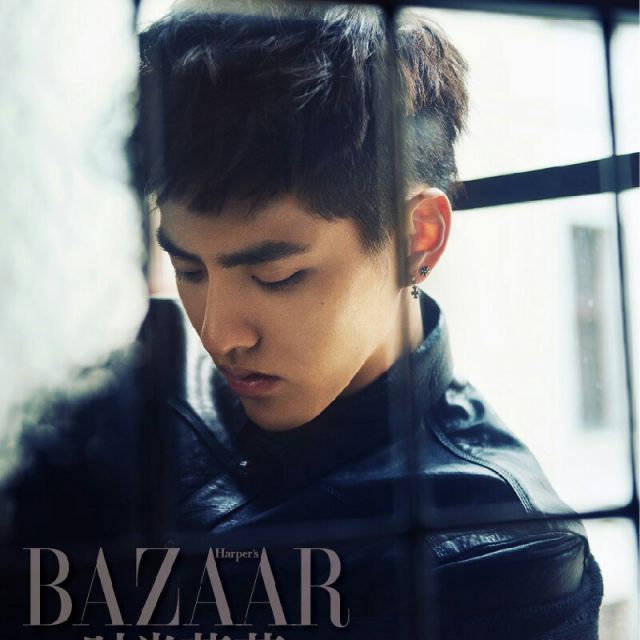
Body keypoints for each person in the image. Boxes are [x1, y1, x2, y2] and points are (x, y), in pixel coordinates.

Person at [2, 3, 603, 639]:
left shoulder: (500, 553)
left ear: (416, 240)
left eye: (276, 276)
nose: (220, 336)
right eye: (189, 269)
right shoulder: (137, 391)